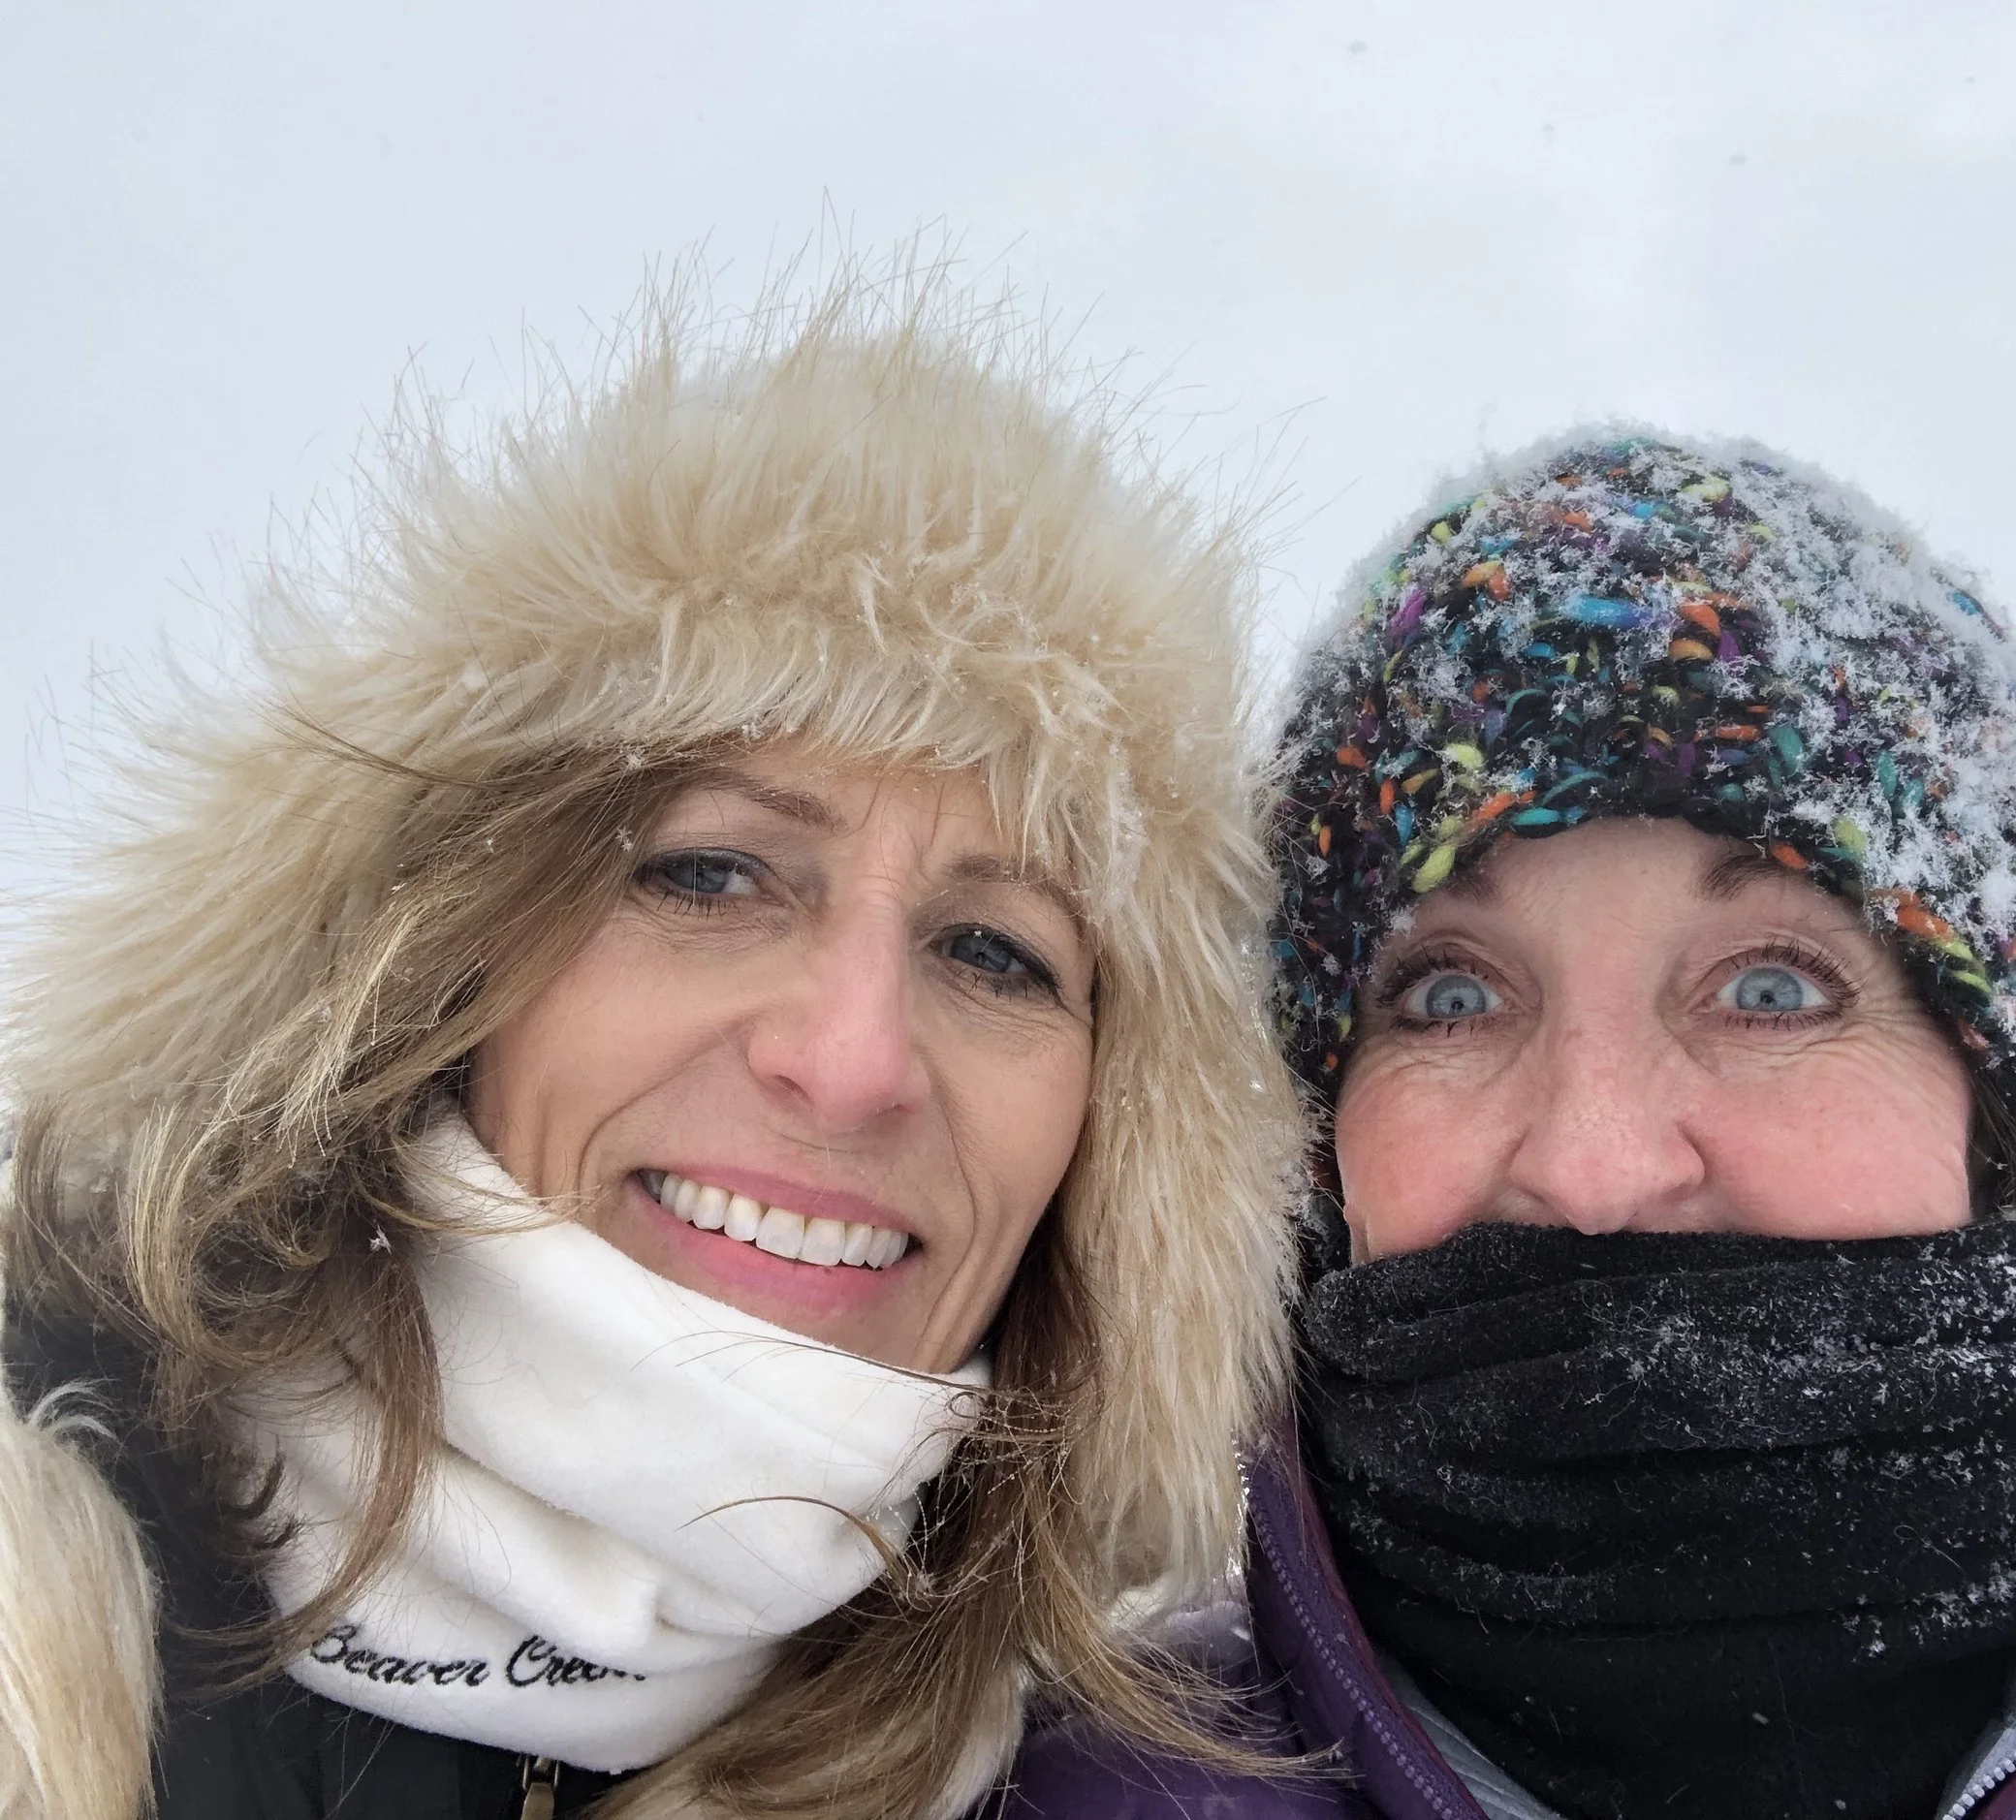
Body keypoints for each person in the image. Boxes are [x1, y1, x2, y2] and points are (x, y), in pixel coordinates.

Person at [0, 264, 1299, 1820]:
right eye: (708, 872)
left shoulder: (1108, 1787)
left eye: (992, 951)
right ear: (439, 944)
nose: (852, 1058)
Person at [1003, 431, 2016, 1818]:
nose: (1596, 1162)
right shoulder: (1063, 1782)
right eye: (1449, 995)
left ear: (2013, 1117)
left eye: (1770, 986)